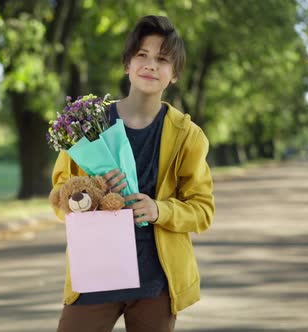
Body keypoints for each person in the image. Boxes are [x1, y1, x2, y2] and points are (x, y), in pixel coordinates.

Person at [50, 15, 215, 332]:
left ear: (175, 74)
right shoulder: (85, 123)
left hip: (156, 282)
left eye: (162, 59)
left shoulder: (187, 135)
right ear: (127, 64)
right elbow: (59, 195)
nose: (151, 65)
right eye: (142, 55)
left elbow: (203, 211)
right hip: (94, 273)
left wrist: (159, 210)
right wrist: (88, 194)